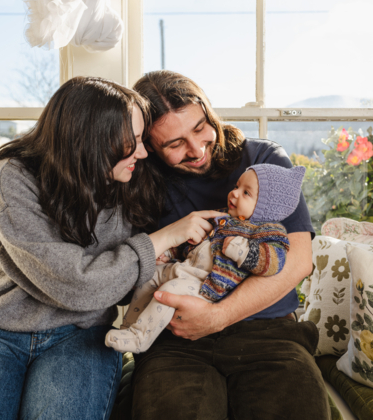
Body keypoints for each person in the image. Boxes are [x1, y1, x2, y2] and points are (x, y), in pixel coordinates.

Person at [0, 76, 223, 420]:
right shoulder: (11, 177)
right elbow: (76, 284)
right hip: (4, 329)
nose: (143, 152)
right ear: (89, 142)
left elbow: (116, 290)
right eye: (132, 142)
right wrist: (161, 239)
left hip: (83, 334)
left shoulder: (130, 182)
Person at [127, 70, 331, 420]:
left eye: (199, 127)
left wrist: (217, 317)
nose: (197, 149)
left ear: (208, 111)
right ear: (149, 147)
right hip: (175, 338)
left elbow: (298, 262)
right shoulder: (137, 182)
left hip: (270, 333)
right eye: (174, 144)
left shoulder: (264, 162)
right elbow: (123, 272)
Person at [105, 163, 305, 354]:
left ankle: (141, 338)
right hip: (182, 267)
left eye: (246, 193)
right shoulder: (221, 217)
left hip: (206, 284)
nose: (234, 193)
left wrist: (243, 251)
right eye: (237, 186)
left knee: (167, 293)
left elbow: (274, 262)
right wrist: (169, 254)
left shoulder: (267, 232)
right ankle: (129, 326)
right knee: (148, 277)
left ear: (265, 208)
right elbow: (192, 241)